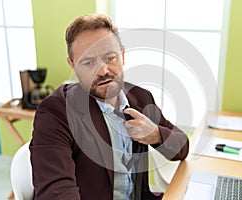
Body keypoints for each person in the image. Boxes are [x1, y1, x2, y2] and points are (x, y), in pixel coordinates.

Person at [29, 13, 189, 200]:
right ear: (72, 65)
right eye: (88, 63)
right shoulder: (56, 112)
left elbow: (182, 147)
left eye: (110, 58)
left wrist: (155, 134)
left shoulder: (141, 97)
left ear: (122, 55)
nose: (103, 71)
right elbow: (56, 193)